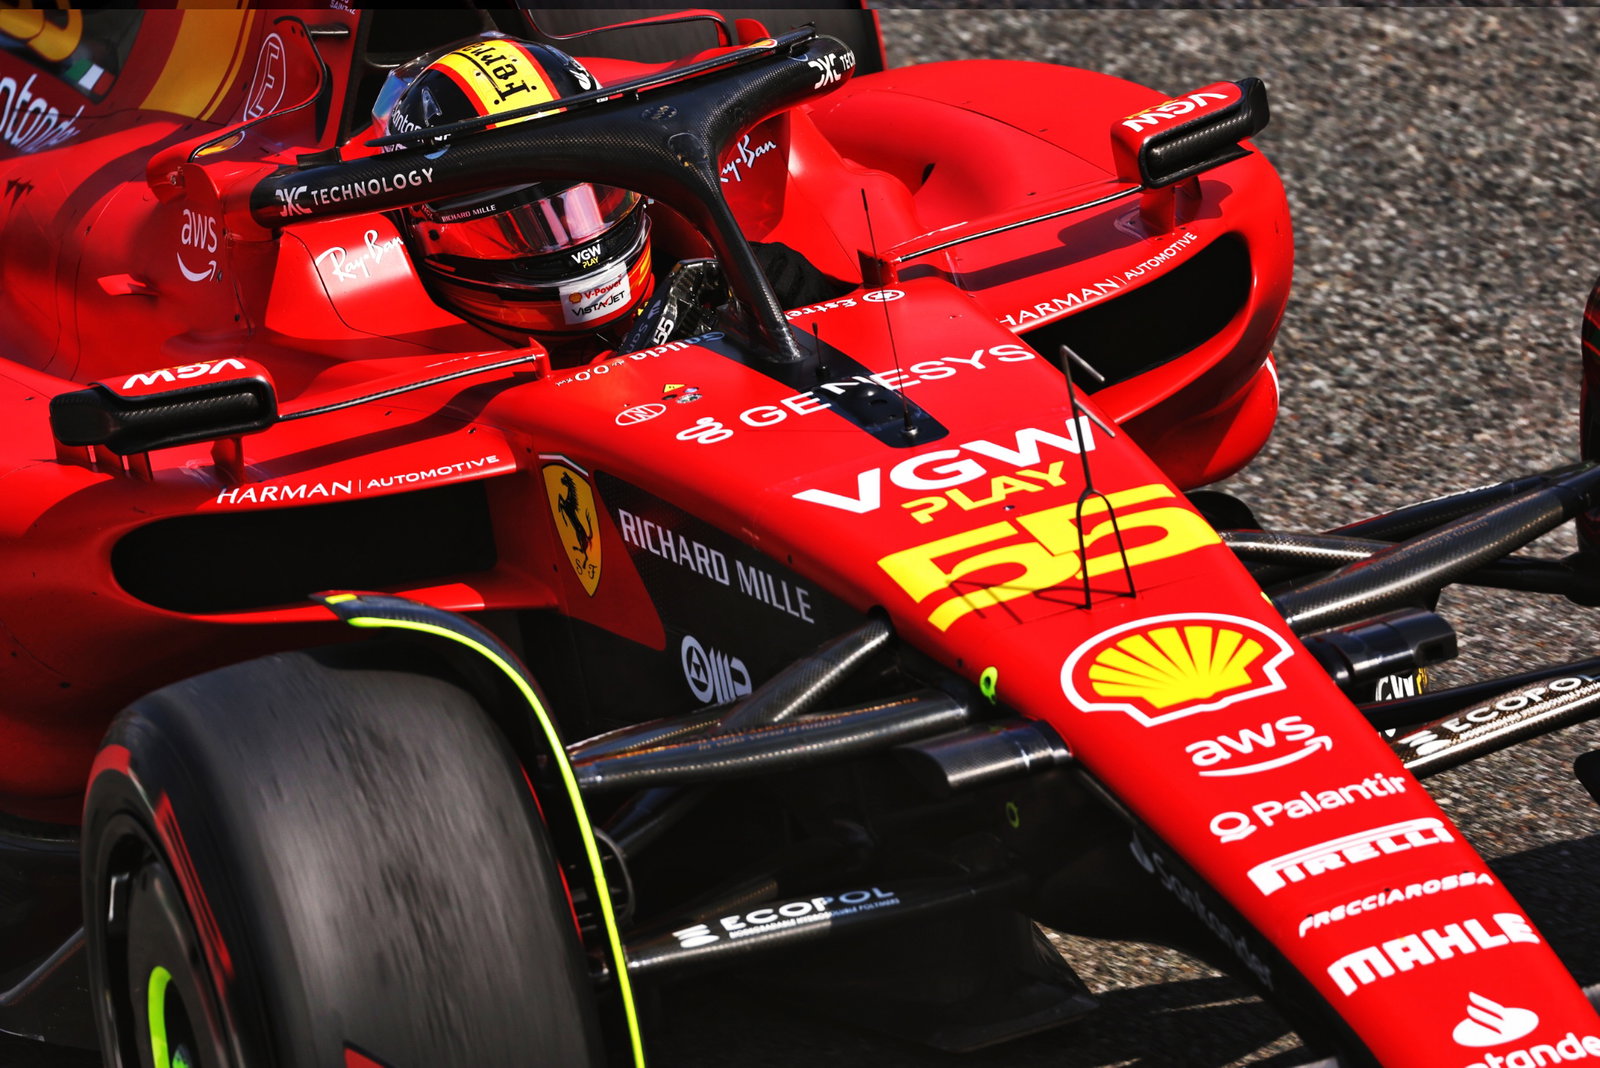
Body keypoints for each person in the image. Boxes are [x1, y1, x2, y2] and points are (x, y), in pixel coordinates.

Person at [377, 33, 844, 364]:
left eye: (594, 199)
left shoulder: (767, 281)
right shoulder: (411, 390)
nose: (582, 244)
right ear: (427, 231)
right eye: (525, 225)